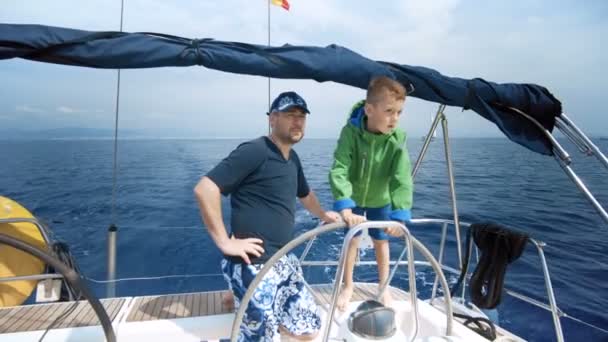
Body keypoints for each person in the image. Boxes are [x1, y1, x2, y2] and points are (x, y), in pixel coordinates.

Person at [194, 91, 340, 341]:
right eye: (290, 115)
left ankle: (240, 300)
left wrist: (325, 215)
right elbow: (205, 189)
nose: (298, 122)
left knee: (309, 330)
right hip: (253, 265)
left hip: (283, 261)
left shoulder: (292, 158)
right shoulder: (255, 150)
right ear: (273, 118)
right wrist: (224, 242)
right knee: (262, 338)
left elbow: (305, 195)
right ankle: (240, 298)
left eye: (302, 117)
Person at [329, 76, 413, 311]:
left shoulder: (397, 140)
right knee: (352, 240)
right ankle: (348, 286)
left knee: (381, 241)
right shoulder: (350, 133)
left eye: (399, 112)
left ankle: (383, 287)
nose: (394, 118)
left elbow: (402, 178)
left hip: (381, 199)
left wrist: (399, 216)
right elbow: (340, 167)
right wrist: (344, 204)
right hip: (354, 198)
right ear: (369, 109)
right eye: (389, 111)